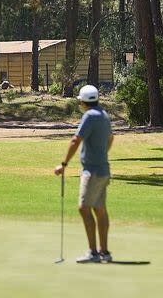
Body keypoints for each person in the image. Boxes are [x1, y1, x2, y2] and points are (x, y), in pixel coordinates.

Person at [54, 84, 114, 263]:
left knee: (84, 208)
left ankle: (93, 253)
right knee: (99, 209)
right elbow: (111, 138)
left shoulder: (89, 116)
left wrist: (64, 164)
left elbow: (75, 140)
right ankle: (104, 252)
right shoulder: (103, 115)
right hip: (103, 169)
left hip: (92, 171)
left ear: (83, 101)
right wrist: (101, 153)